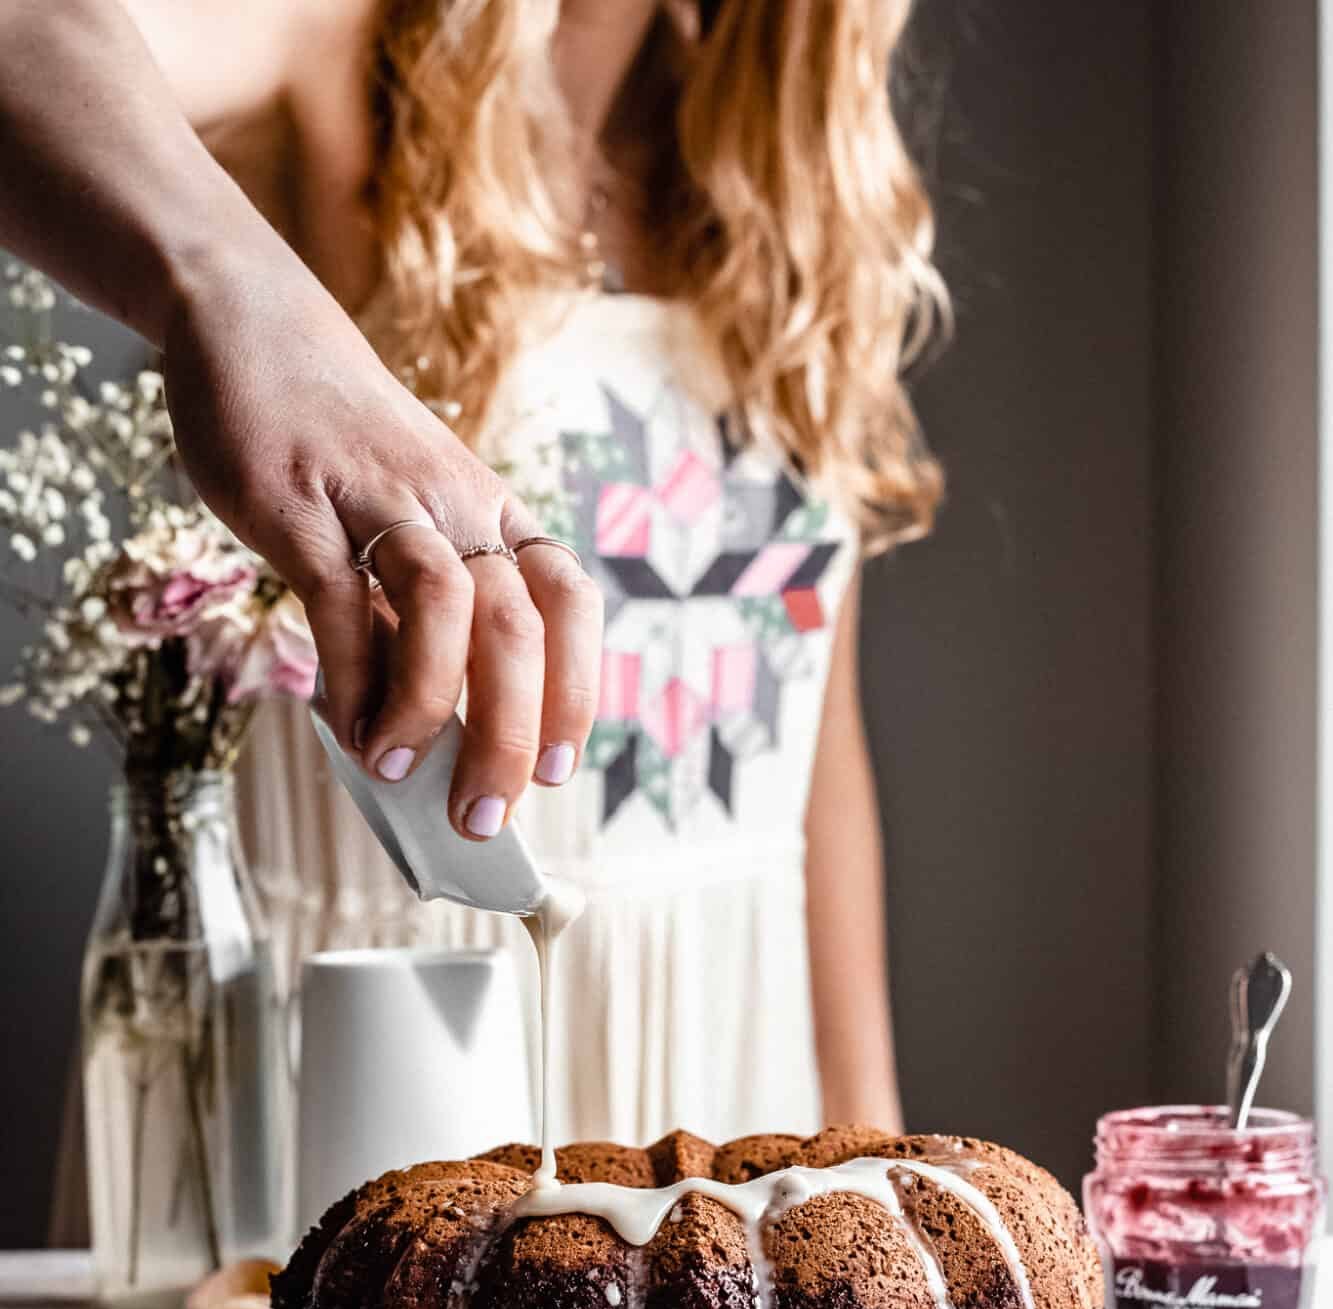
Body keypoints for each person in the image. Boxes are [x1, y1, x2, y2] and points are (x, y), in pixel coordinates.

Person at [2, 0, 943, 1151]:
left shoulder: (797, 175)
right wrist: (234, 284)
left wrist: (874, 1151)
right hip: (373, 1063)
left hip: (730, 1065)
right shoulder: (339, 45)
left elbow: (812, 754)